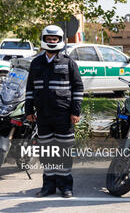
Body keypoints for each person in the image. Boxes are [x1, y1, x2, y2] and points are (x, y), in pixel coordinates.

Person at [25, 25, 84, 198]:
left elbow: (78, 88)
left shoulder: (68, 62)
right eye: (49, 39)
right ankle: (48, 186)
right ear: (44, 40)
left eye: (55, 39)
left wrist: (76, 111)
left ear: (60, 40)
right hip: (43, 115)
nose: (52, 42)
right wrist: (29, 110)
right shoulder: (36, 63)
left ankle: (65, 187)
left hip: (64, 115)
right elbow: (29, 88)